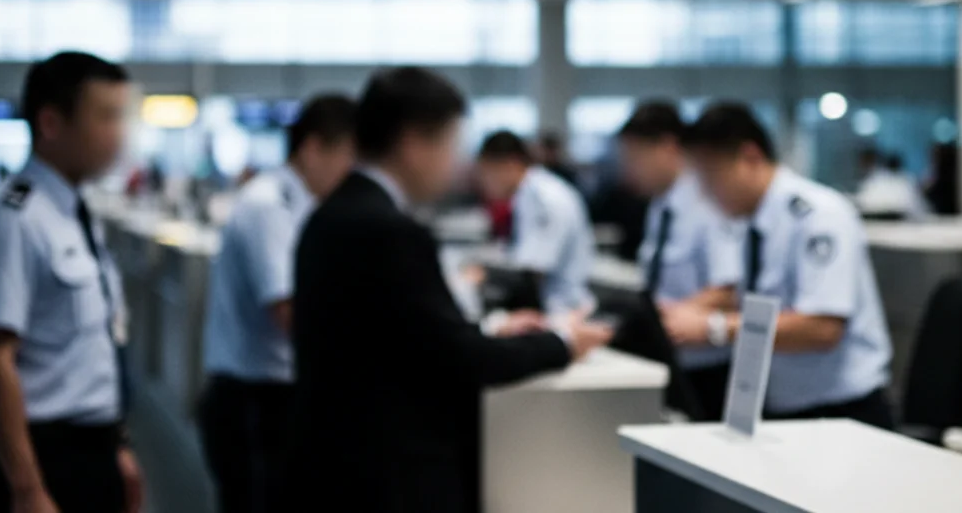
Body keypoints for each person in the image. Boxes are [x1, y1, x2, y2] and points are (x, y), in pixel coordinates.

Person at [291, 67, 613, 513]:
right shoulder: (390, 231)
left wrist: (490, 327)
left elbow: (397, 335)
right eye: (450, 144)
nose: (456, 164)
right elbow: (459, 359)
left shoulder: (331, 215)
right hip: (391, 476)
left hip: (339, 463)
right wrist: (561, 343)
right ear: (413, 143)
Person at [0, 52, 143, 513]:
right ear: (51, 123)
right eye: (105, 117)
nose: (118, 134)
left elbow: (88, 351)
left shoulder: (72, 212)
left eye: (121, 116)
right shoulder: (12, 218)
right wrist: (26, 488)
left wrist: (115, 446)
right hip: (41, 459)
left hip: (91, 452)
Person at [666, 102, 894, 429]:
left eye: (711, 177)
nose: (705, 194)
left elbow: (821, 328)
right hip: (780, 405)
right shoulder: (749, 222)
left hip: (840, 413)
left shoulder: (817, 216)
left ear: (750, 157)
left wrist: (714, 328)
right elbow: (753, 301)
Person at [198, 94, 357, 513]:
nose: (350, 172)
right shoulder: (268, 206)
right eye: (347, 156)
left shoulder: (303, 205)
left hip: (274, 394)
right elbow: (289, 311)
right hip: (254, 400)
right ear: (312, 147)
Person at [616, 102, 742, 421]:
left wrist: (671, 317)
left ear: (668, 147)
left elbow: (728, 289)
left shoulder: (708, 203)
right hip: (669, 356)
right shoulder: (660, 206)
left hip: (708, 366)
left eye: (636, 158)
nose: (630, 170)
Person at [474, 131, 596, 315]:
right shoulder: (529, 192)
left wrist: (485, 276)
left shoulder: (543, 197)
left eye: (486, 173)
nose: (484, 184)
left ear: (510, 164)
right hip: (549, 304)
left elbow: (532, 272)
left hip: (562, 308)